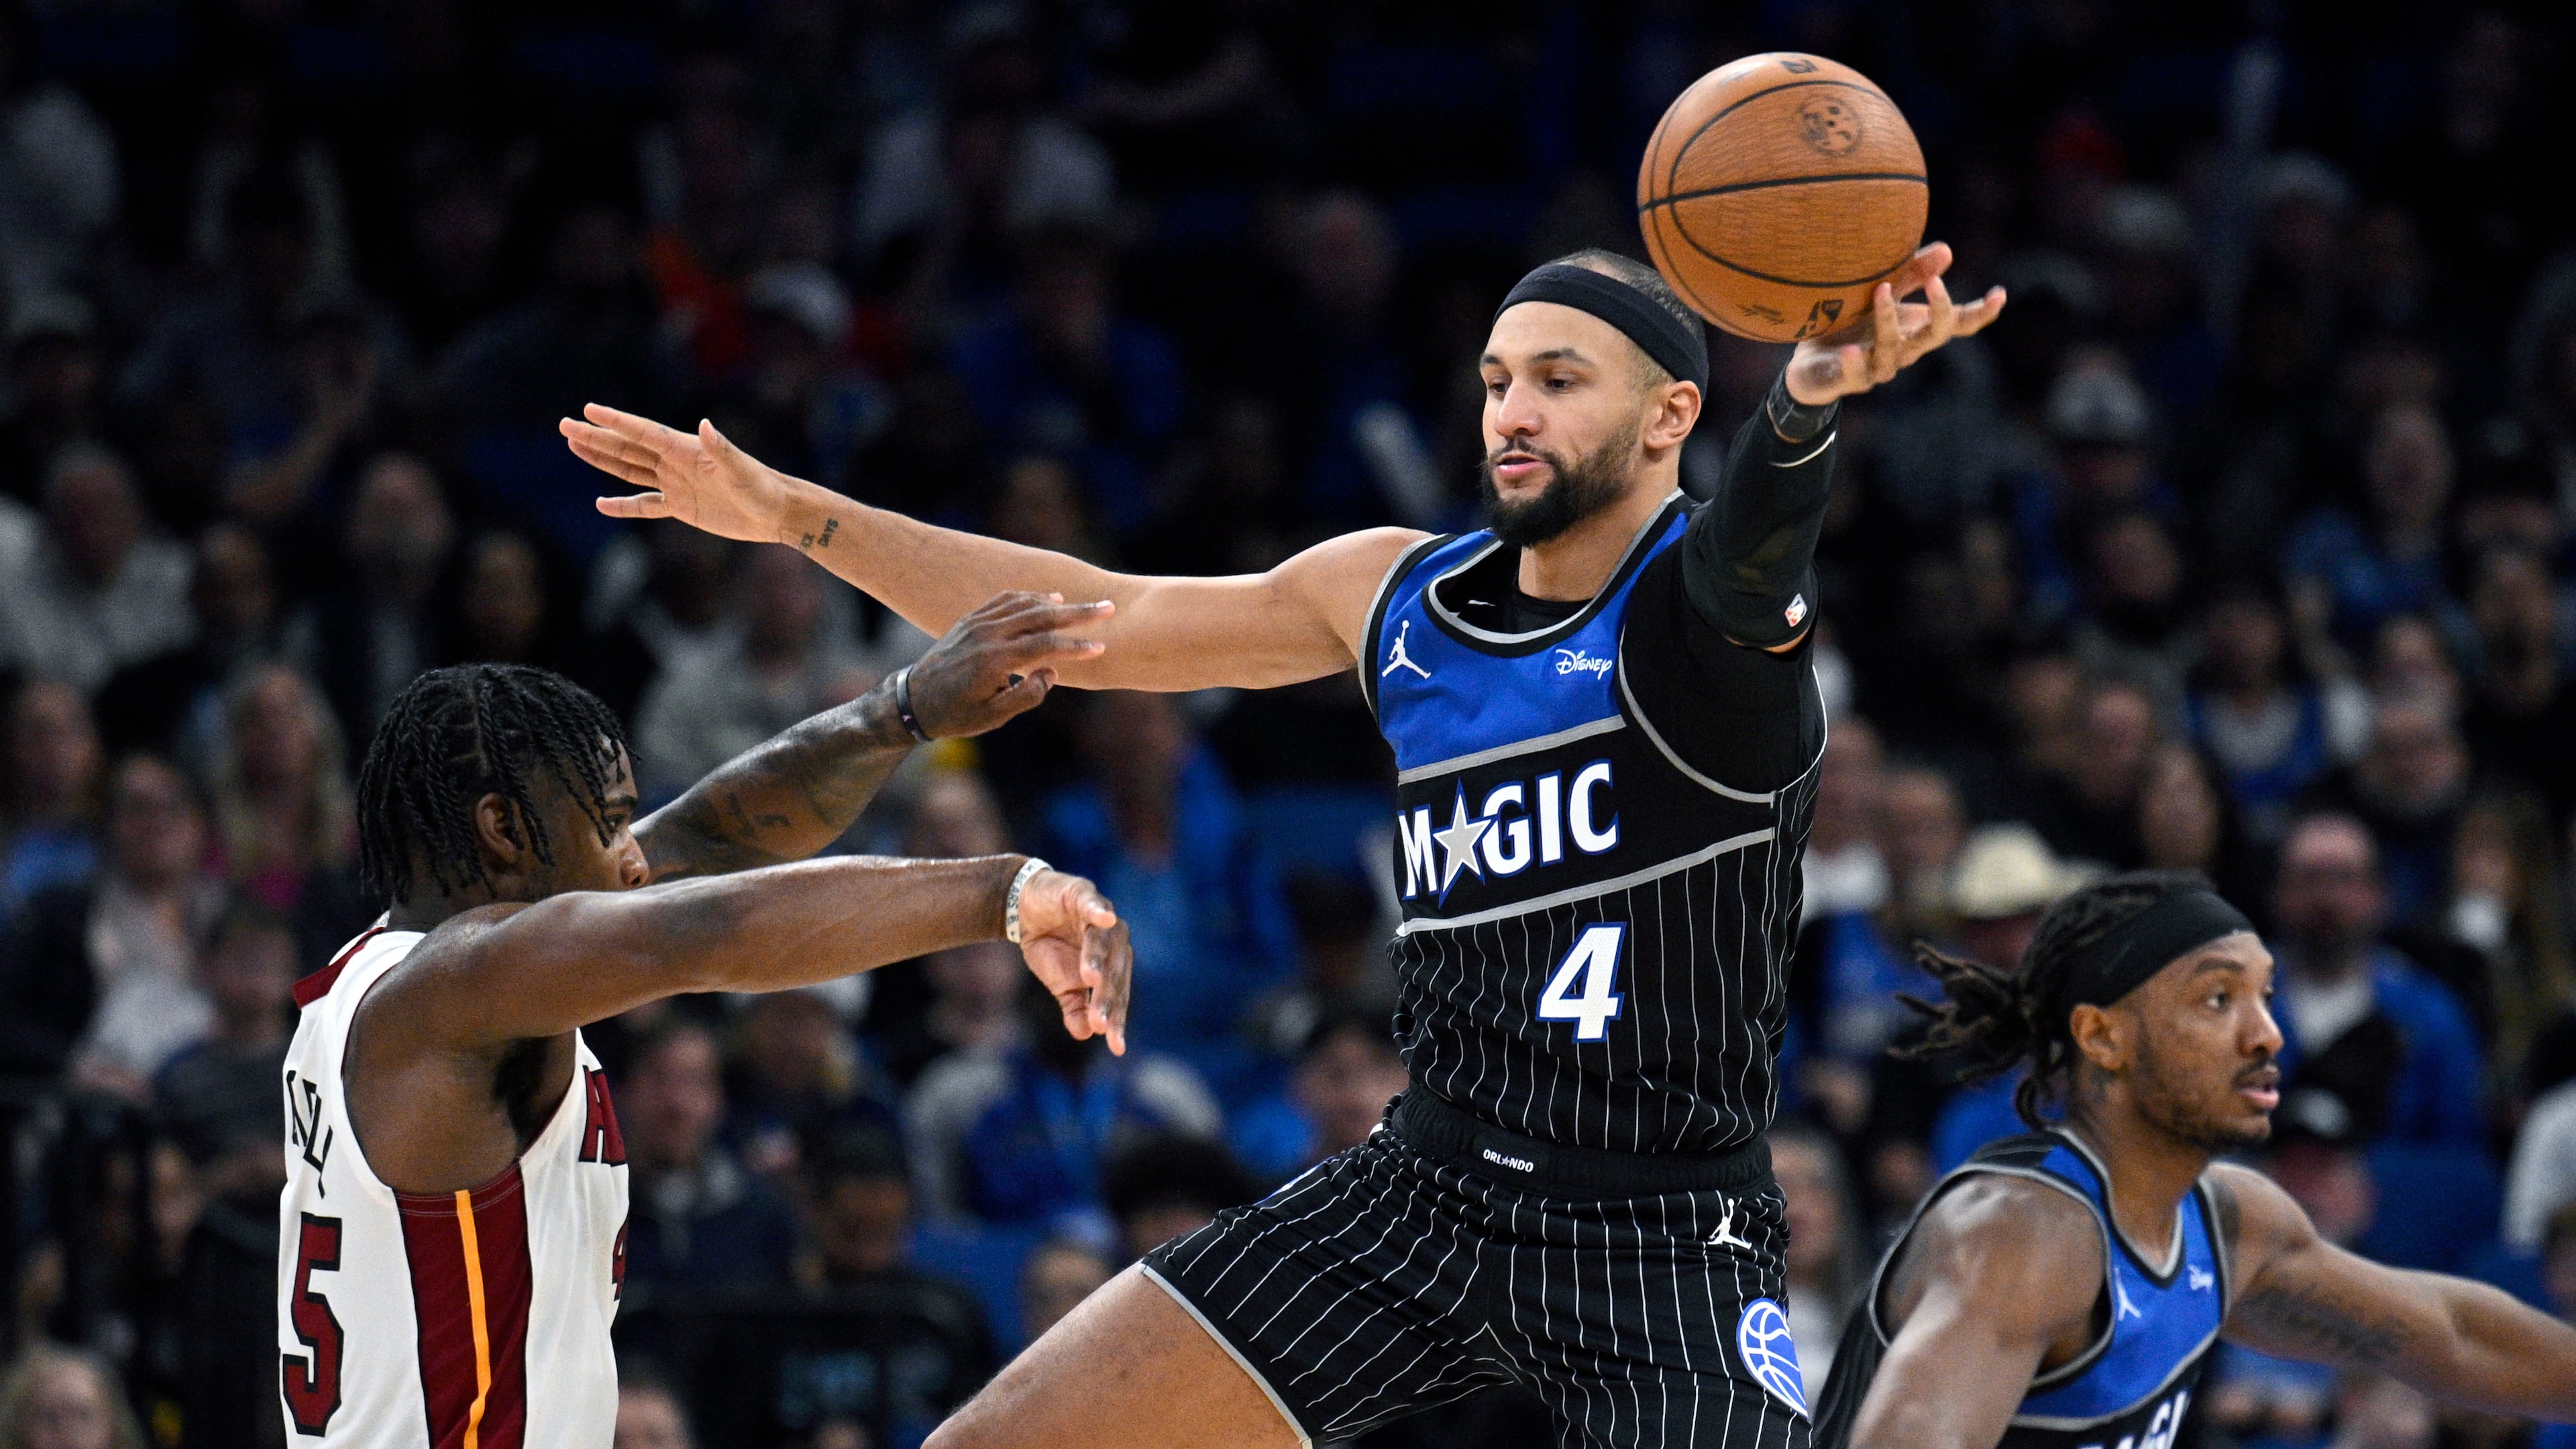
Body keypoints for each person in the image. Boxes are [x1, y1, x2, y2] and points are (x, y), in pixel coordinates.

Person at [568, 241, 2004, 1447]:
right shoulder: (1394, 595)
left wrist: (1806, 402)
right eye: (1498, 378)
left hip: (1662, 1232)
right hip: (1423, 1191)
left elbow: (1757, 543)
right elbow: (1083, 616)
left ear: (1669, 416)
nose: (1512, 411)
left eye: (1560, 382)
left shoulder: (1707, 629)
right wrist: (788, 514)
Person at [273, 592, 1133, 1447]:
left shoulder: (389, 983)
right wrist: (1007, 894)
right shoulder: (453, 991)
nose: (638, 859)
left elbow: (714, 835)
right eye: (609, 822)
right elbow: (703, 930)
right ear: (502, 832)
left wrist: (900, 708)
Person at [1807, 871, 2576, 1449]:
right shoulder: (2024, 1235)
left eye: (2265, 996)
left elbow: (2448, 1333)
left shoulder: (2228, 1221)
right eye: (2217, 1001)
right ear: (2104, 1038)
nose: (2267, 1034)